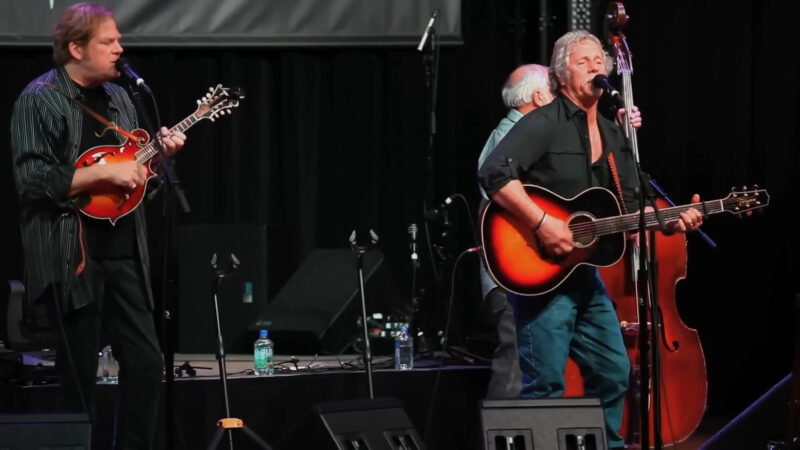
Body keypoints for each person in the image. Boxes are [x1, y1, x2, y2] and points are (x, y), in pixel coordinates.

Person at [477, 30, 702, 449]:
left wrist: (673, 220)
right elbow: (493, 174)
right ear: (561, 76)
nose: (596, 67)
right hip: (540, 274)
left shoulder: (615, 135)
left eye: (600, 60)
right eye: (583, 61)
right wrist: (543, 222)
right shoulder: (543, 123)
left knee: (614, 372)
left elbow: (636, 206)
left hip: (583, 279)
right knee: (545, 385)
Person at [9, 3, 185, 449]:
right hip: (72, 258)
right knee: (78, 374)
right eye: (108, 42)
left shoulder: (122, 99)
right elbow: (31, 179)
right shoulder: (39, 98)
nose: (119, 49)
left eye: (118, 40)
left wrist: (156, 164)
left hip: (125, 253)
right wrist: (101, 174)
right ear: (75, 48)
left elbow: (135, 189)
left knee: (146, 364)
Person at [477, 64, 641, 399]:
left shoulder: (568, 131)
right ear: (539, 96)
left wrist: (617, 137)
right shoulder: (517, 133)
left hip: (563, 272)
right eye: (553, 90)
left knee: (607, 371)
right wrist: (544, 224)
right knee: (521, 377)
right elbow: (495, 196)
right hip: (525, 270)